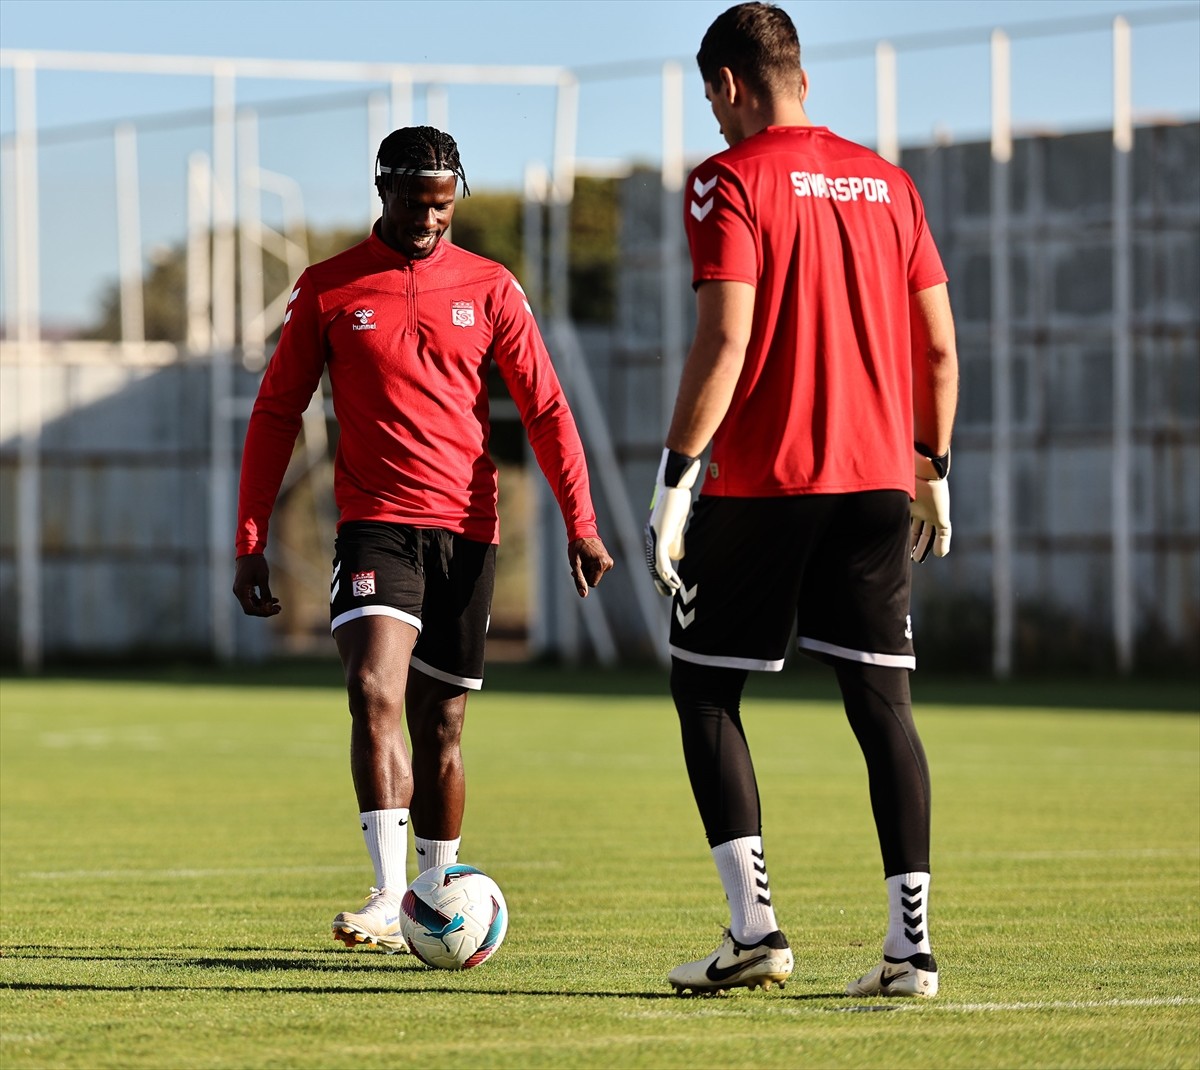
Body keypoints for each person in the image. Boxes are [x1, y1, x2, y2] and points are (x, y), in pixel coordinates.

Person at [234, 126, 614, 952]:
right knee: (374, 689)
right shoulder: (328, 289)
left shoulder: (492, 287)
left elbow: (546, 410)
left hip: (467, 532)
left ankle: (437, 890)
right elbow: (275, 412)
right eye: (415, 204)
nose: (428, 222)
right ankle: (386, 891)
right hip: (375, 527)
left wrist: (581, 522)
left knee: (441, 723)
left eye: (443, 208)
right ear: (384, 191)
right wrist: (251, 537)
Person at [644, 2, 958, 997]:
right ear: (805, 81)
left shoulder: (725, 182)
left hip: (769, 482)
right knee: (883, 705)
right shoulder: (891, 185)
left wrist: (676, 473)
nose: (715, 119)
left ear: (732, 84)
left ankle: (756, 930)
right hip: (877, 484)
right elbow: (940, 345)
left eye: (712, 100)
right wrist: (934, 466)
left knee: (704, 687)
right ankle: (911, 950)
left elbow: (725, 339)